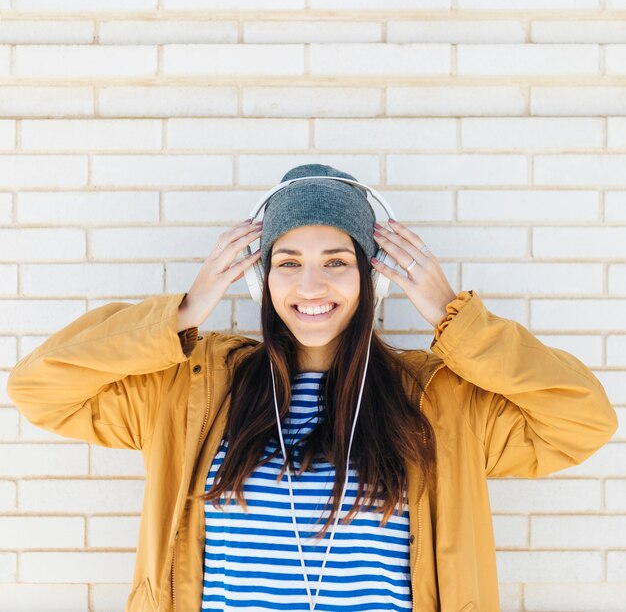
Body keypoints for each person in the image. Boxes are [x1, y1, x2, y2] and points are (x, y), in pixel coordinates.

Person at [7, 163, 618, 612]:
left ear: (369, 277)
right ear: (260, 279)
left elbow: (581, 419)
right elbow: (41, 388)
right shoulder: (190, 391)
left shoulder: (437, 401)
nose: (312, 284)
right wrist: (183, 313)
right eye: (289, 262)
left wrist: (453, 318)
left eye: (337, 260)